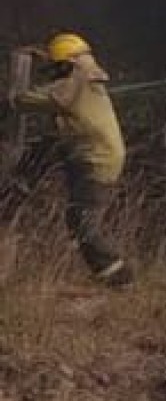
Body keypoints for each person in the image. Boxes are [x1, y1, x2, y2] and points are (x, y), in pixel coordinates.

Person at [9, 33, 131, 286]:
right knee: (47, 147)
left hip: (95, 161)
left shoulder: (73, 84)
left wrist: (8, 101)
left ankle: (119, 277)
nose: (54, 73)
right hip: (93, 155)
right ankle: (16, 190)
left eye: (56, 67)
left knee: (81, 220)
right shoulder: (86, 80)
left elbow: (28, 100)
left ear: (68, 65)